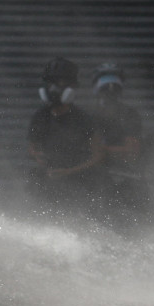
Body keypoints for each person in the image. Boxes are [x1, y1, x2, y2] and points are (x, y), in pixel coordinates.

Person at [26, 57, 105, 216]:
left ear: (71, 87)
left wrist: (69, 171)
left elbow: (98, 156)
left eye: (60, 83)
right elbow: (32, 147)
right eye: (50, 83)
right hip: (49, 182)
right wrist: (38, 157)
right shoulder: (40, 116)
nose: (54, 89)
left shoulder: (83, 119)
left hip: (80, 184)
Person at [89, 63, 153, 228]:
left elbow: (132, 151)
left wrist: (102, 151)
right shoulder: (90, 116)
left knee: (133, 227)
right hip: (98, 181)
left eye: (113, 89)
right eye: (105, 89)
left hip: (127, 179)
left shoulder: (129, 115)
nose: (109, 93)